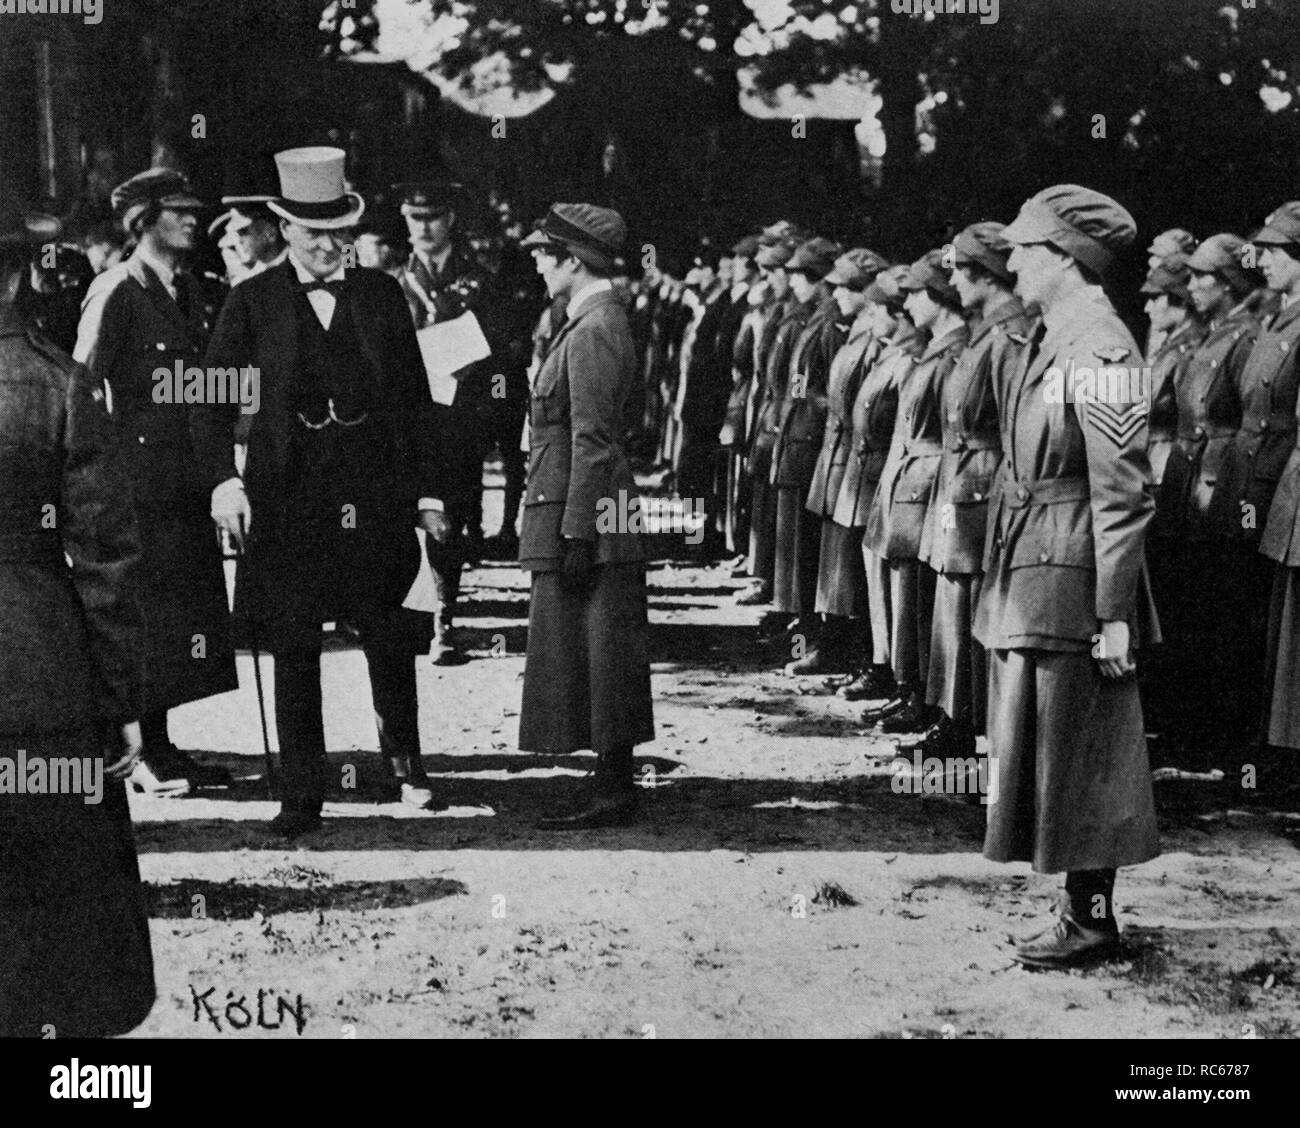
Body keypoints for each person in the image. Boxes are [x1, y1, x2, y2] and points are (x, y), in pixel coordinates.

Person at [192, 146, 452, 838]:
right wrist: (223, 481)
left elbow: (416, 401)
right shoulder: (251, 302)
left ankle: (407, 768)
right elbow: (209, 403)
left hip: (374, 495)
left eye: (340, 233)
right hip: (287, 501)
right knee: (294, 645)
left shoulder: (381, 295)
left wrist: (428, 492)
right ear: (284, 231)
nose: (331, 247)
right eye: (316, 236)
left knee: (390, 635)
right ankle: (302, 793)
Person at [977, 184, 1160, 969]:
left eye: (1024, 248)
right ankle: (1077, 913)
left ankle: (1091, 923)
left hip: (1078, 571)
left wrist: (1114, 613)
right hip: (1038, 566)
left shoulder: (1102, 345)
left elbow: (1124, 489)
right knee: (1055, 746)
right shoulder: (1055, 337)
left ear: (1062, 258)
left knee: (1085, 751)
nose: (1011, 261)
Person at [0, 221, 155, 1036]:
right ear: (22, 273)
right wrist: (120, 697)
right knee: (62, 911)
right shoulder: (64, 385)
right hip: (42, 675)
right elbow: (106, 559)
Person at [74, 168, 237, 796]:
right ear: (143, 219)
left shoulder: (193, 291)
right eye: (178, 210)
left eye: (195, 209)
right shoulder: (116, 290)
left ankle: (164, 746)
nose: (194, 219)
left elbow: (203, 386)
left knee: (177, 621)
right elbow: (83, 387)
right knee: (140, 619)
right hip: (137, 487)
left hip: (186, 484)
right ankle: (140, 755)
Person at [519, 203, 654, 829]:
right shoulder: (588, 319)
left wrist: (577, 529)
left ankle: (614, 788)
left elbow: (593, 438)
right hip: (593, 501)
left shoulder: (596, 325)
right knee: (597, 642)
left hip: (592, 505)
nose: (540, 266)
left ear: (574, 260)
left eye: (546, 256)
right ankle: (610, 782)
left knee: (606, 642)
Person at [912, 223, 1027, 760]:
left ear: (986, 273)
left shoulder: (1010, 337)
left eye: (959, 270)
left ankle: (966, 728)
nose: (952, 281)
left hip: (983, 488)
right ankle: (953, 720)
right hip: (962, 485)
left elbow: (1014, 430)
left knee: (971, 610)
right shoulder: (986, 333)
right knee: (954, 609)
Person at [1154, 233, 1260, 770]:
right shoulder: (1213, 335)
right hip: (1194, 480)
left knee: (1220, 611)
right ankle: (1191, 729)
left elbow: (1246, 423)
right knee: (1193, 606)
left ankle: (1217, 736)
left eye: (1204, 278)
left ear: (1231, 284)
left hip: (1224, 485)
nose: (1192, 286)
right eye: (1191, 276)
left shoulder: (1244, 338)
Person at [396, 178, 502, 663]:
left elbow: (505, 340)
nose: (424, 227)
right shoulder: (394, 281)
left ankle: (446, 617)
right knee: (405, 510)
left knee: (452, 517)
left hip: (463, 416)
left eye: (432, 217)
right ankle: (408, 611)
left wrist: (472, 362)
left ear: (450, 220)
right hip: (412, 414)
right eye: (415, 218)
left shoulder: (482, 278)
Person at [863, 250, 969, 734]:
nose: (907, 305)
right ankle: (911, 689)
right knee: (908, 596)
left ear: (939, 298)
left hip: (931, 484)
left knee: (922, 599)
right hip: (912, 480)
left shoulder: (953, 352)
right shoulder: (933, 348)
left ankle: (925, 700)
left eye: (917, 294)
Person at [1232, 202, 1300, 794]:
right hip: (1271, 488)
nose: (1266, 259)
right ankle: (1272, 745)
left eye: (1277, 251)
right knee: (1274, 625)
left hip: (1288, 480)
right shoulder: (1278, 319)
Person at [797, 247, 887, 675]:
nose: (835, 294)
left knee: (852, 567)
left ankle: (854, 654)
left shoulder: (875, 339)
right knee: (837, 564)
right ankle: (835, 647)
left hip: (857, 462)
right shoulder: (853, 332)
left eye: (845, 287)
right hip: (839, 460)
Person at [834, 265, 917, 702]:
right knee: (874, 582)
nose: (871, 316)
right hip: (872, 474)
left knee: (892, 588)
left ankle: (890, 673)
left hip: (889, 474)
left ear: (895, 313)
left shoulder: (907, 359)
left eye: (878, 309)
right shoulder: (887, 351)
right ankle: (877, 664)